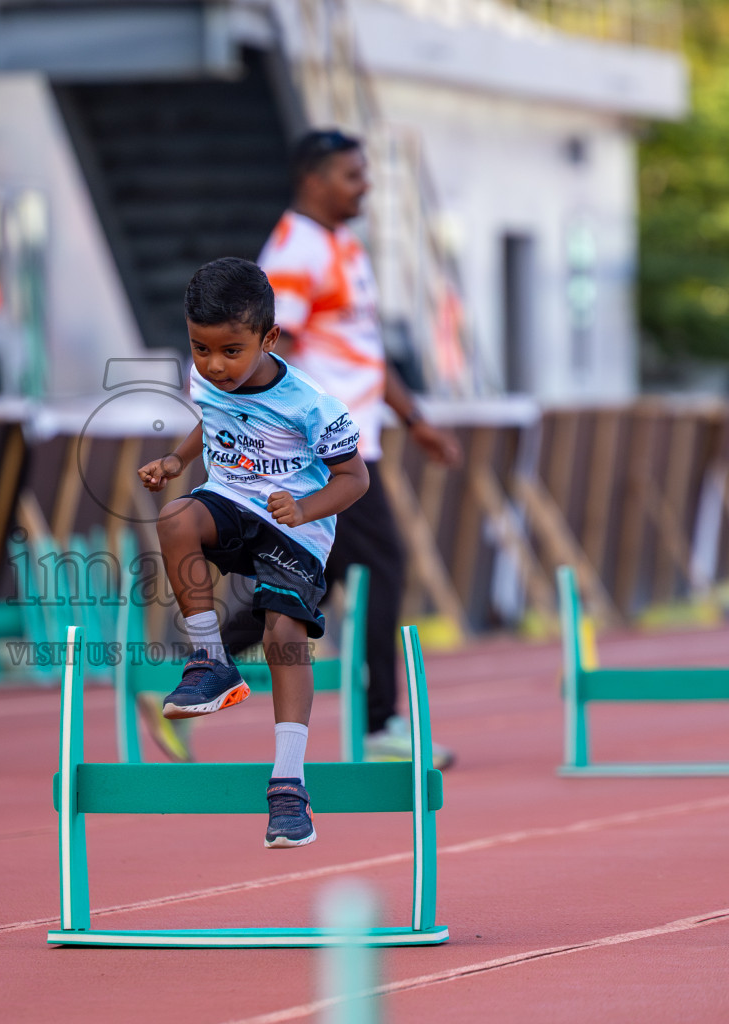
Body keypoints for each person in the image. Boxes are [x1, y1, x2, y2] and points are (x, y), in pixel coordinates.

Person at [137, 257, 368, 848]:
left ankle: (288, 785)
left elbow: (355, 479)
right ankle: (211, 662)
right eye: (200, 348)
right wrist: (177, 461)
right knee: (176, 517)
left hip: (295, 530)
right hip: (232, 500)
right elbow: (214, 421)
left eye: (231, 352)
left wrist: (305, 507)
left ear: (269, 338)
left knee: (283, 636)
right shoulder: (208, 378)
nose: (214, 366)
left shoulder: (313, 404)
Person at [257, 128, 463, 765]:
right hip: (325, 450)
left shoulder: (344, 248)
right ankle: (381, 728)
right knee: (380, 569)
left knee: (312, 578)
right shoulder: (294, 253)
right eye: (353, 175)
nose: (365, 184)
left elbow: (365, 353)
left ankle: (193, 676)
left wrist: (416, 418)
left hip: (353, 442)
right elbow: (270, 352)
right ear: (314, 180)